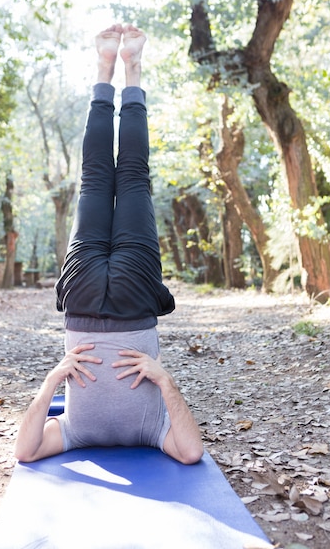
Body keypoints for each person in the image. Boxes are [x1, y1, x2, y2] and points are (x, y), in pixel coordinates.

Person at [15, 25, 203, 466]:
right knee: (133, 175)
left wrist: (51, 384)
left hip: (81, 299)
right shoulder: (155, 431)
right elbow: (191, 452)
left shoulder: (73, 432)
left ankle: (104, 67)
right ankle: (132, 68)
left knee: (95, 178)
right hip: (136, 299)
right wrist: (165, 380)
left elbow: (24, 453)